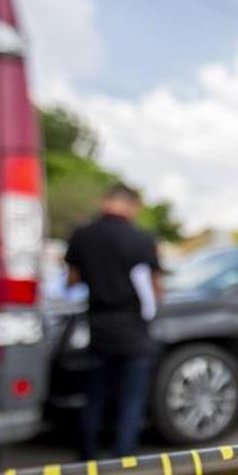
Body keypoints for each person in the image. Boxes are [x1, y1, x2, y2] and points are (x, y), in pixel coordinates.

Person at [65, 183, 163, 460]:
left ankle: (86, 456)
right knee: (131, 398)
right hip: (133, 328)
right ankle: (124, 457)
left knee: (94, 395)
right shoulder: (142, 239)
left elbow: (71, 281)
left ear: (105, 201)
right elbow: (156, 288)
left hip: (98, 326)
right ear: (132, 206)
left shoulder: (82, 234)